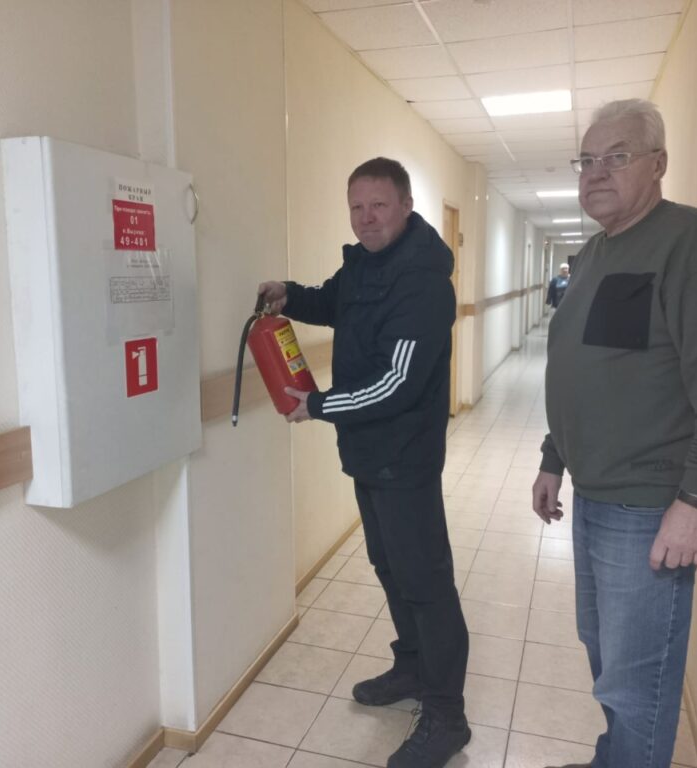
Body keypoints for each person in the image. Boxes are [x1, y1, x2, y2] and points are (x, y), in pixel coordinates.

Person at [532, 99, 697, 768]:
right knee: (605, 657)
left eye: (617, 156)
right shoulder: (592, 254)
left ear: (658, 164)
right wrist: (553, 458)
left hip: (649, 507)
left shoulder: (691, 242)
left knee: (637, 684)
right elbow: (580, 368)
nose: (596, 172)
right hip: (594, 495)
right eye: (587, 160)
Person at [258, 157, 470, 768]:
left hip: (406, 459)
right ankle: (412, 668)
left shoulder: (423, 281)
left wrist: (319, 405)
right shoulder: (364, 265)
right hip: (368, 456)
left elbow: (397, 384)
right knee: (390, 568)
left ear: (406, 206)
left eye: (379, 205)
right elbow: (334, 301)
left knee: (425, 582)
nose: (367, 217)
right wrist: (289, 295)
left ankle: (446, 716)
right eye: (357, 206)